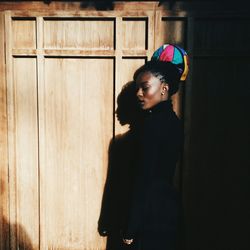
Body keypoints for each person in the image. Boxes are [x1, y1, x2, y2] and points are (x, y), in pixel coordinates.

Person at [121, 44, 189, 250]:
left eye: (145, 87)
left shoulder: (150, 126)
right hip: (168, 212)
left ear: (164, 88)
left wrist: (131, 228)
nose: (139, 94)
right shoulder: (174, 121)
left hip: (148, 218)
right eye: (137, 89)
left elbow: (144, 180)